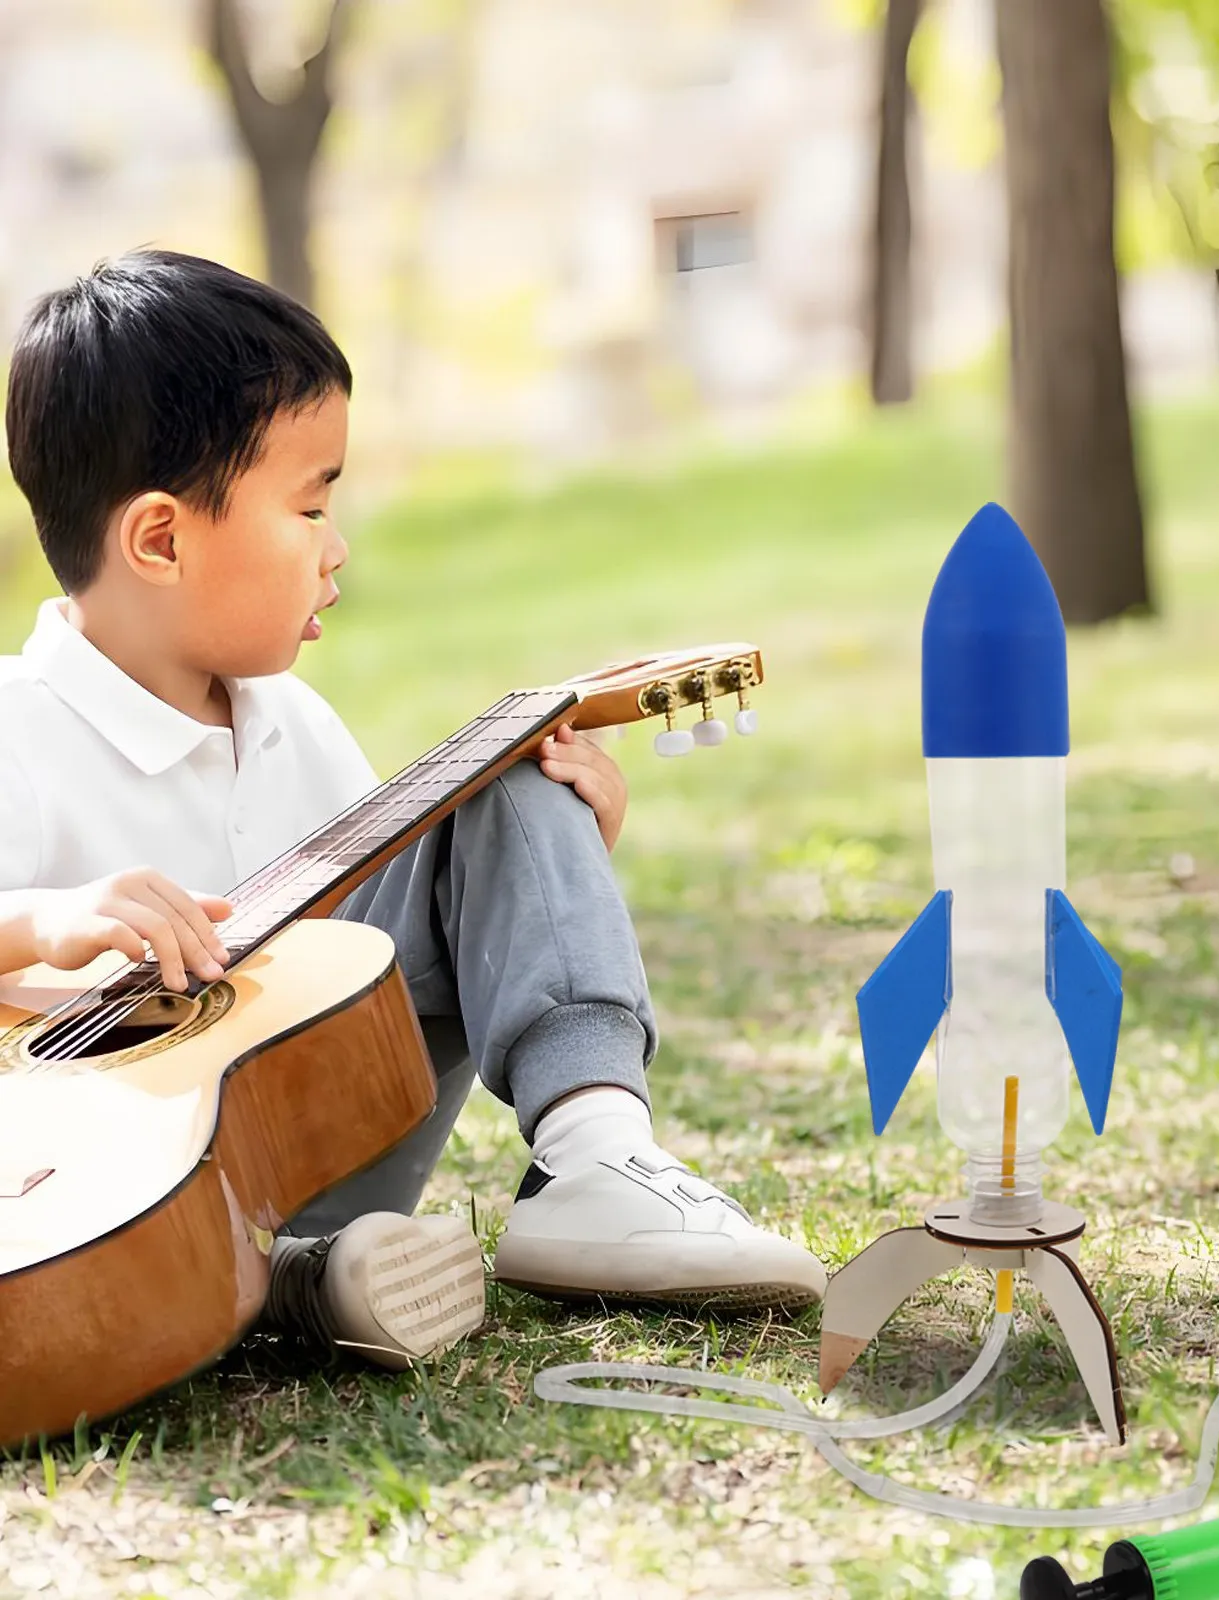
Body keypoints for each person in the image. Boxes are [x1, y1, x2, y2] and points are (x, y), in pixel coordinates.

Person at [0, 250, 825, 1371]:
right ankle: (292, 1283)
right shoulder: (21, 728)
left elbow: (398, 958)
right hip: (70, 1209)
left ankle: (590, 1160)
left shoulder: (293, 724)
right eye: (309, 505)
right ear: (160, 538)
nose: (336, 546)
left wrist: (544, 862)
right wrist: (40, 921)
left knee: (507, 781)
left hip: (315, 1160)